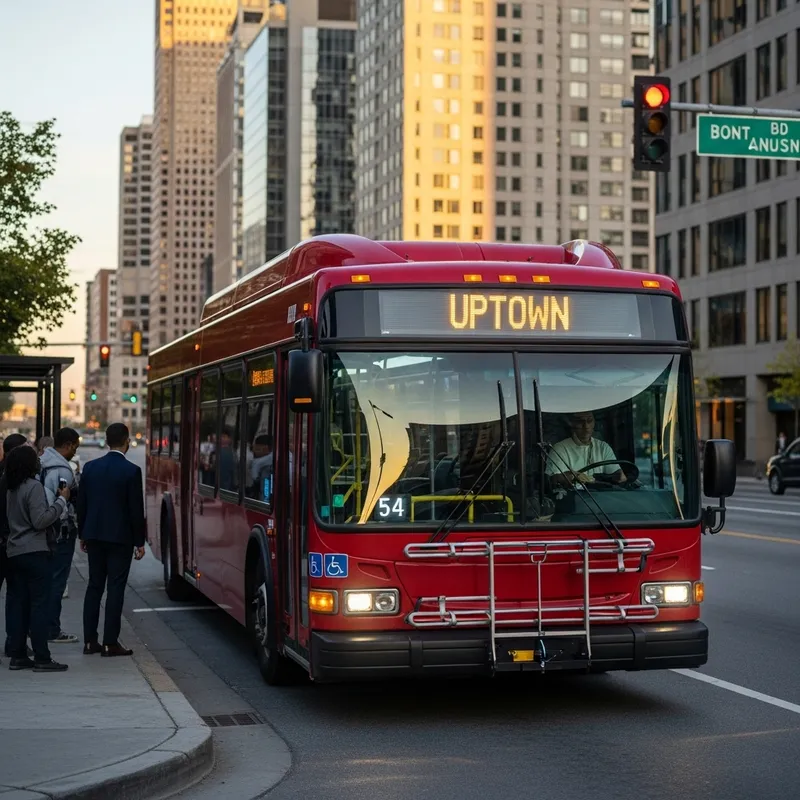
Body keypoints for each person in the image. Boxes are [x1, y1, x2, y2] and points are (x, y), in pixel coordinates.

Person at [78, 422, 145, 657]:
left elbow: (82, 504)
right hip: (120, 537)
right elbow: (135, 509)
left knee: (94, 586)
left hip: (94, 535)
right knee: (115, 587)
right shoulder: (131, 471)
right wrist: (139, 541)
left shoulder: (90, 468)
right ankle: (110, 642)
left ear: (106, 441)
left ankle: (89, 641)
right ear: (127, 441)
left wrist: (83, 534)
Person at [5, 444, 70, 671]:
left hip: (14, 552)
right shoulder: (33, 487)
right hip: (34, 552)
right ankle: (42, 657)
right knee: (39, 605)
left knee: (19, 605)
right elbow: (40, 521)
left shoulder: (11, 489)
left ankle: (18, 655)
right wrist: (61, 501)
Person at [39, 428, 81, 644]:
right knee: (57, 582)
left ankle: (41, 626)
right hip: (59, 533)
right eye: (75, 447)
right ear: (68, 444)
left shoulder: (42, 461)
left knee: (45, 581)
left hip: (42, 534)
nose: (75, 452)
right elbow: (58, 505)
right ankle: (51, 629)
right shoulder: (63, 469)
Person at [0, 434, 30, 659]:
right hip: (12, 543)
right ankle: (14, 643)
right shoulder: (16, 480)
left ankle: (14, 643)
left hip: (6, 541)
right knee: (16, 596)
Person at [546, 411, 626, 487]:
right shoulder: (559, 449)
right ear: (573, 424)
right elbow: (553, 479)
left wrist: (619, 476)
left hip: (601, 495)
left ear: (594, 423)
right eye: (580, 421)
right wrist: (572, 476)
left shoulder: (603, 447)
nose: (586, 426)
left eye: (589, 421)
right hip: (575, 495)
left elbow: (617, 475)